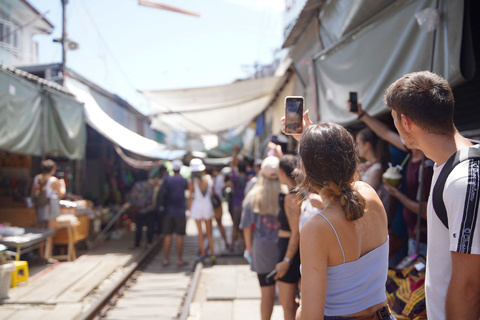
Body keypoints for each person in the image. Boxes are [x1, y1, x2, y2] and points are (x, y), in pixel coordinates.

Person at [383, 71, 480, 320]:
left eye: (393, 119)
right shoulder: (446, 164)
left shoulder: (463, 180)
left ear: (405, 122)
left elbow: (469, 288)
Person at [289, 119, 393, 319]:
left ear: (305, 169)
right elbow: (343, 191)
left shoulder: (317, 228)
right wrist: (313, 139)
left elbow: (311, 316)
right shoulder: (369, 195)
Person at [349, 102, 430, 261]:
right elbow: (385, 133)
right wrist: (361, 114)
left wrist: (397, 194)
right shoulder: (411, 151)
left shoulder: (427, 161)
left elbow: (426, 210)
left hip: (422, 235)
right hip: (410, 230)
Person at [240, 156, 282, 320]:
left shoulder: (252, 197)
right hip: (284, 249)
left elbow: (246, 226)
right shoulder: (286, 194)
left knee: (266, 294)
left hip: (262, 251)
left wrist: (249, 248)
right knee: (288, 295)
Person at [274, 154, 302, 320]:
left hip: (289, 250)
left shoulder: (290, 198)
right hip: (297, 250)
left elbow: (295, 231)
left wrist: (286, 260)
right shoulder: (302, 193)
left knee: (287, 304)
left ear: (282, 173)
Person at [31, 159, 66, 262]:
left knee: (41, 231)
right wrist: (62, 184)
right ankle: (48, 256)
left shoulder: (37, 178)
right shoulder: (53, 180)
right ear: (52, 169)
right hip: (51, 206)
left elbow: (33, 194)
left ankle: (40, 255)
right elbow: (61, 194)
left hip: (41, 206)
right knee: (49, 232)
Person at [159, 159, 189, 267]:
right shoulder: (184, 180)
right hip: (180, 211)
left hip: (168, 211)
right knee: (180, 235)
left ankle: (166, 259)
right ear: (180, 169)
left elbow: (161, 194)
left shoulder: (167, 180)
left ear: (172, 169)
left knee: (168, 235)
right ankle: (179, 259)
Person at [188, 158, 215, 263]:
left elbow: (190, 197)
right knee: (209, 232)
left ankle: (203, 253)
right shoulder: (208, 178)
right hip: (207, 206)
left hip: (197, 207)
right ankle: (212, 253)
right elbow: (212, 194)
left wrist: (189, 210)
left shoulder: (192, 182)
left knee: (200, 232)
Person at [122, 169, 155, 249]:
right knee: (150, 226)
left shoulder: (137, 185)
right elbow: (152, 195)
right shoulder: (150, 184)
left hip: (140, 209)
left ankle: (137, 244)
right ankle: (149, 242)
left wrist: (129, 204)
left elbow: (133, 197)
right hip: (150, 208)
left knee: (139, 227)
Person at [228, 145, 247, 250]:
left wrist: (235, 152)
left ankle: (231, 245)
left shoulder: (235, 178)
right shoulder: (248, 178)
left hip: (236, 205)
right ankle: (245, 246)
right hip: (245, 205)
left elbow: (232, 165)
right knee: (245, 226)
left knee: (235, 226)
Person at [209, 167, 230, 250]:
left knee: (209, 226)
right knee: (220, 223)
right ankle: (226, 242)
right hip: (217, 203)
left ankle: (208, 247)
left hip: (210, 204)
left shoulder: (207, 180)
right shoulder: (220, 178)